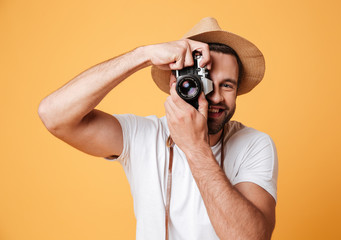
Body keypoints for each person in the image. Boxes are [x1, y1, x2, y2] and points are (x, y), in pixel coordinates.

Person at [38, 17, 278, 240]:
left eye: (226, 85)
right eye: (202, 82)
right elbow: (53, 115)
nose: (214, 96)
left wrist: (195, 147)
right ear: (177, 83)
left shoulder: (254, 144)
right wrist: (142, 55)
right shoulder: (144, 136)